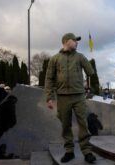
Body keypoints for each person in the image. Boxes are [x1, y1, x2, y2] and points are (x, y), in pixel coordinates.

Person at [44, 33, 96, 163]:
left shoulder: (79, 57)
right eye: (75, 40)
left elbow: (91, 72)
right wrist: (49, 97)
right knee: (65, 125)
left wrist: (87, 62)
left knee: (83, 123)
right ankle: (69, 151)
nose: (77, 43)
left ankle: (87, 152)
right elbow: (49, 79)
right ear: (66, 41)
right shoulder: (55, 59)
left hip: (79, 95)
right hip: (62, 97)